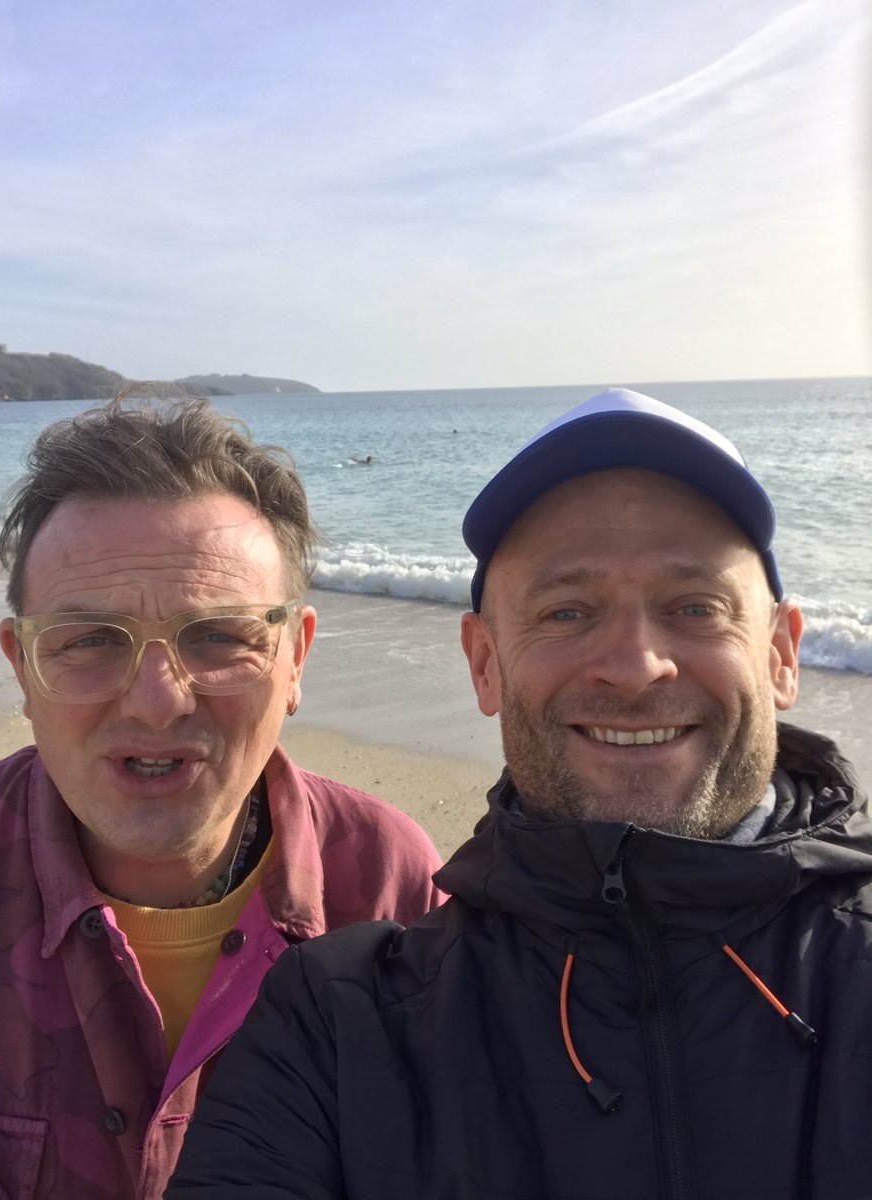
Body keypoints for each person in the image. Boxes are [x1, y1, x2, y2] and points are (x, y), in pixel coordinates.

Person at [168, 387, 872, 1199]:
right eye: (566, 612)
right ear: (484, 664)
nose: (635, 666)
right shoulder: (338, 1025)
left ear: (781, 653)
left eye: (694, 607)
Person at [0, 398, 443, 1200]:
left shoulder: (387, 888)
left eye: (219, 636)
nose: (158, 701)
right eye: (90, 640)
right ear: (22, 667)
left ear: (295, 658)